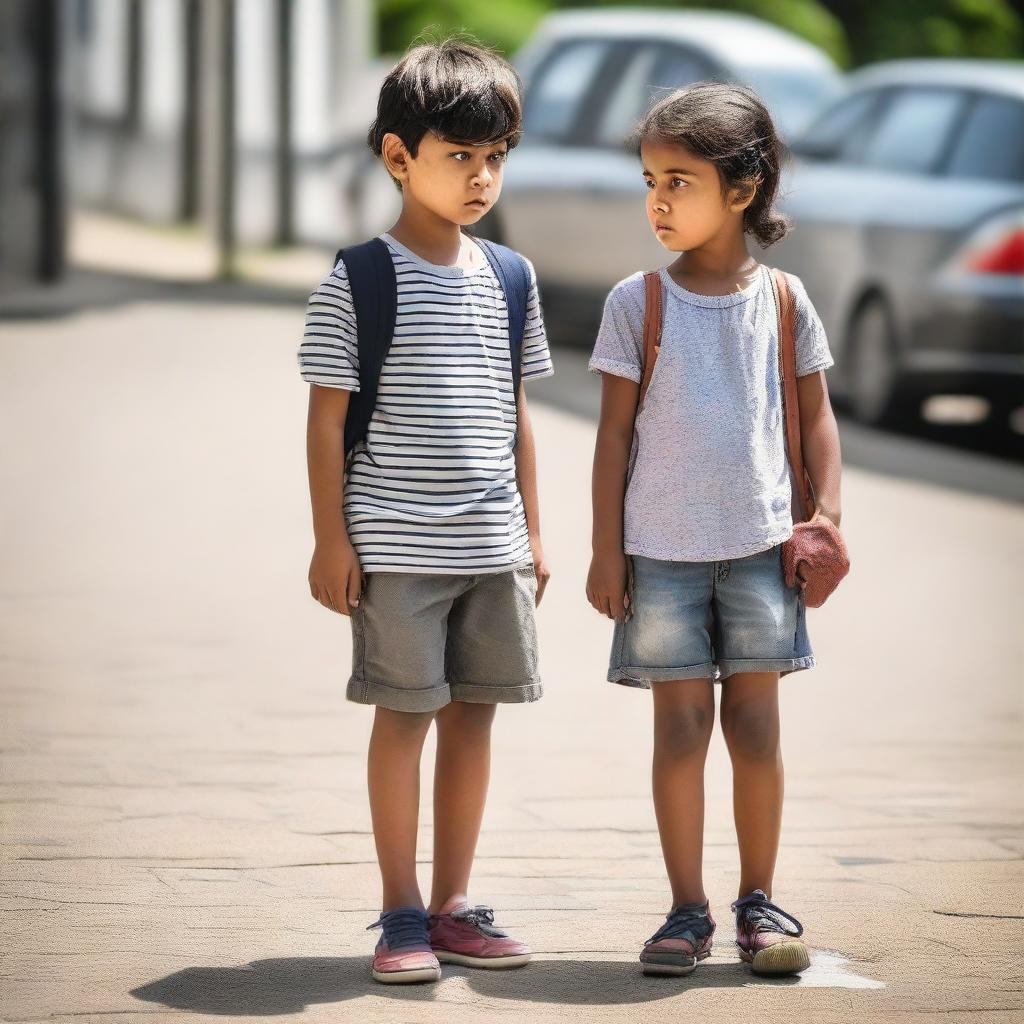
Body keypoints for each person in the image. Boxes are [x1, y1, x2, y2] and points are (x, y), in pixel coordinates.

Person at [298, 38, 553, 985]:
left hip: (492, 549)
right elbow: (326, 423)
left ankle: (453, 905)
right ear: (398, 157)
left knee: (476, 717)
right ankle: (399, 912)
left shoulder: (510, 278)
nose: (481, 177)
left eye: (496, 158)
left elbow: (515, 412)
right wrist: (332, 537)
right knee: (405, 717)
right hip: (397, 550)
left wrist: (533, 533)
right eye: (460, 156)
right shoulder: (359, 279)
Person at [586, 82, 844, 978]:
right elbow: (613, 433)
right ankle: (685, 909)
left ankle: (759, 902)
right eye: (651, 179)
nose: (658, 199)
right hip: (660, 556)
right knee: (681, 731)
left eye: (680, 180)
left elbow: (815, 417)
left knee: (759, 732)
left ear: (743, 187)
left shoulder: (783, 300)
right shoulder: (637, 302)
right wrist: (605, 549)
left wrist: (826, 515)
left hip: (763, 550)